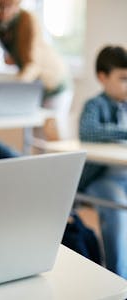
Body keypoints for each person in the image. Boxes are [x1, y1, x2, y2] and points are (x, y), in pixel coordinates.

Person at [0, 0, 73, 140]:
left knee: (54, 132)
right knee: (36, 135)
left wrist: (15, 87)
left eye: (8, 6)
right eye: (1, 6)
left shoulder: (28, 19)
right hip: (35, 86)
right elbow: (11, 55)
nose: (4, 11)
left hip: (54, 81)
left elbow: (33, 63)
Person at [79, 45, 127, 278]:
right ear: (102, 77)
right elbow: (88, 131)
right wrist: (123, 132)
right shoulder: (95, 105)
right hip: (101, 178)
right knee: (116, 206)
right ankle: (118, 277)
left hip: (124, 175)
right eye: (123, 78)